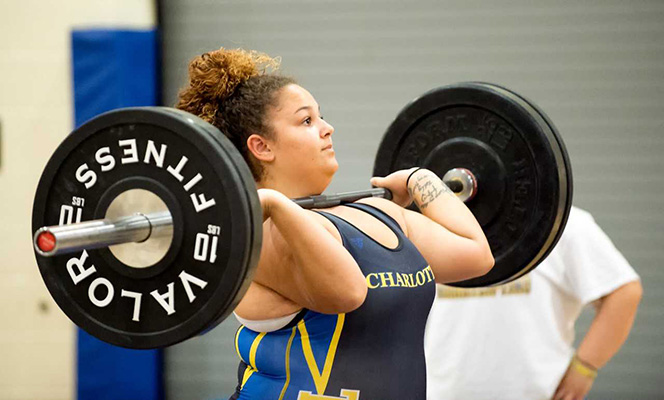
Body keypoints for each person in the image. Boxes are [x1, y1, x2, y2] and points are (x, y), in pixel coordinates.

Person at [175, 48, 494, 400]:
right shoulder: (259, 233)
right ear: (261, 146)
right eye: (306, 121)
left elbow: (477, 256)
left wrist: (421, 178)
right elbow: (348, 292)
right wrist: (274, 205)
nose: (328, 129)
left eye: (321, 117)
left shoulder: (377, 213)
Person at [424, 206, 643, 400]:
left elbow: (624, 292)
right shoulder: (426, 226)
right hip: (442, 393)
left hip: (541, 392)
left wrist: (584, 369)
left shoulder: (562, 223)